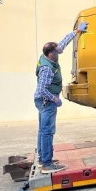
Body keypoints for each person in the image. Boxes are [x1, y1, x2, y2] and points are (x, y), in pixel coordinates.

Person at [34, 21, 88, 174]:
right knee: (47, 131)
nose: (60, 52)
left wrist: (77, 31)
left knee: (43, 130)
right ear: (51, 54)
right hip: (46, 101)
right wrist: (55, 99)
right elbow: (42, 89)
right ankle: (47, 163)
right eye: (57, 51)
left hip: (43, 100)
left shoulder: (48, 56)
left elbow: (63, 43)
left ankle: (42, 158)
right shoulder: (46, 69)